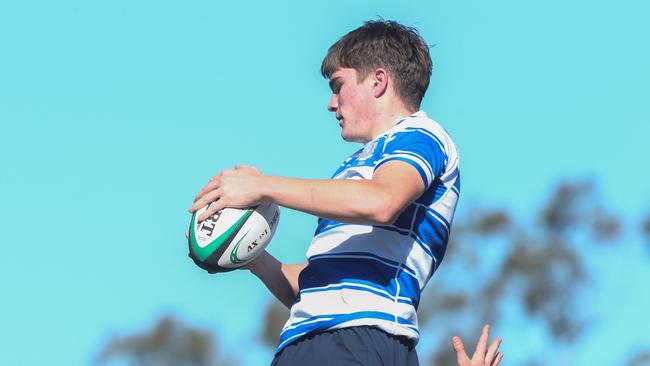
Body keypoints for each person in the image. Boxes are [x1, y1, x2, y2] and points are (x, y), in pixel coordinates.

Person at [190, 20, 499, 365]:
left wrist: (262, 186)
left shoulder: (421, 135)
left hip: (359, 340)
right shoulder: (354, 167)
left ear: (378, 81)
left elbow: (382, 202)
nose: (331, 103)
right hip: (308, 344)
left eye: (338, 86)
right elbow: (312, 288)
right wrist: (251, 256)